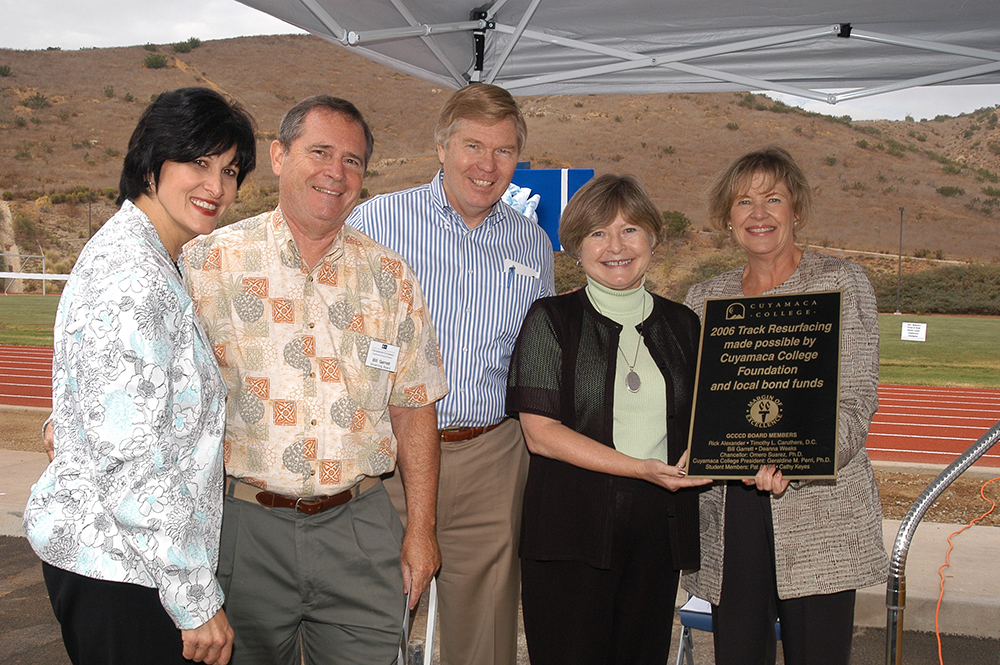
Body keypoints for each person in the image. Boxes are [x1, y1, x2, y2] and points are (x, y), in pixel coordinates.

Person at [181, 95, 448, 665]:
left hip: (358, 528)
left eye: (352, 161)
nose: (336, 172)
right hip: (240, 528)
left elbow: (414, 405)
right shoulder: (206, 263)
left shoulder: (391, 277)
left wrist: (421, 530)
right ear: (279, 156)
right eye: (320, 151)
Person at [23, 87, 257, 665]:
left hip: (128, 559)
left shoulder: (149, 256)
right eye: (198, 162)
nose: (217, 187)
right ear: (152, 163)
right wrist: (195, 598)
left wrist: (71, 425)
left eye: (229, 171)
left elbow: (115, 403)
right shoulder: (135, 278)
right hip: (123, 566)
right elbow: (134, 465)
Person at [348, 83, 554, 665]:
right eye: (472, 145)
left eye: (504, 151)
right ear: (441, 147)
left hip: (492, 456)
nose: (487, 166)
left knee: (484, 639)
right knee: (368, 627)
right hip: (387, 458)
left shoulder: (532, 243)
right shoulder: (375, 223)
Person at [681, 146, 888, 665]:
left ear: (796, 209)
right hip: (732, 510)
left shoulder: (843, 282)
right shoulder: (704, 299)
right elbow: (693, 407)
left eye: (773, 199)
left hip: (820, 507)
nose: (759, 213)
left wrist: (796, 462)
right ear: (726, 218)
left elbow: (856, 401)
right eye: (744, 202)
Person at [505, 174, 711, 665]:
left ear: (653, 239)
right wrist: (639, 467)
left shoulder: (684, 324)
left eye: (630, 230)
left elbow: (708, 419)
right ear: (576, 245)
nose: (615, 246)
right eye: (598, 233)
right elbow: (542, 436)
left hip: (657, 532)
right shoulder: (549, 319)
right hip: (569, 531)